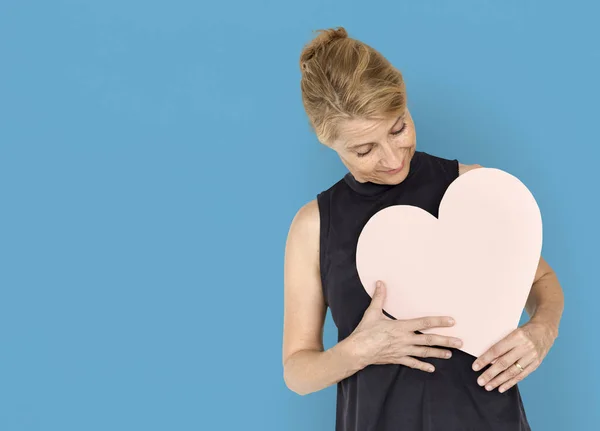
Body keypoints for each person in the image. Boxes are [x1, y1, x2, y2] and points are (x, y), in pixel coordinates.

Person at [282, 27, 564, 431]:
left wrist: (541, 330)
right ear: (331, 144)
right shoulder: (314, 225)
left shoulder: (472, 189)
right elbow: (297, 371)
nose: (393, 157)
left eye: (398, 128)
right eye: (364, 150)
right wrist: (359, 350)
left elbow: (543, 279)